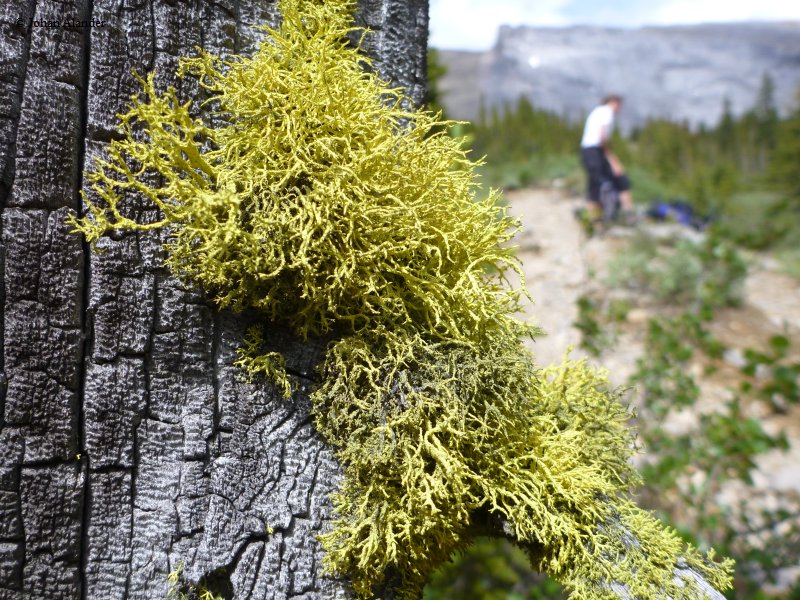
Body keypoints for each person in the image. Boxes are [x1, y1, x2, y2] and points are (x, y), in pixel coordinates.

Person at [580, 95, 633, 221]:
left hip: (589, 151)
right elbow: (602, 136)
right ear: (614, 102)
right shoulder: (606, 111)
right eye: (619, 105)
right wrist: (611, 158)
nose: (619, 109)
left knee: (595, 184)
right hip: (594, 151)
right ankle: (626, 214)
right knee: (606, 182)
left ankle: (594, 219)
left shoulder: (598, 111)